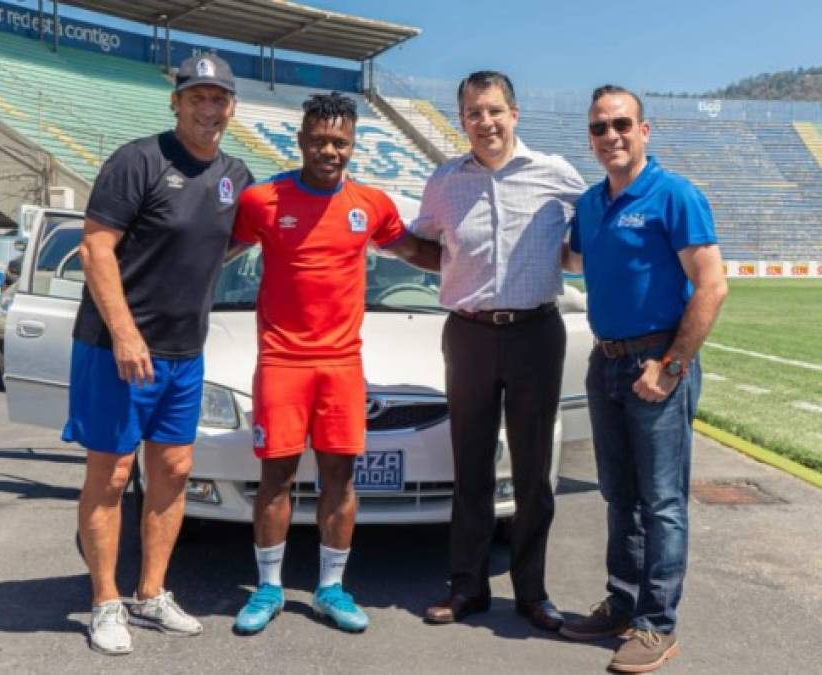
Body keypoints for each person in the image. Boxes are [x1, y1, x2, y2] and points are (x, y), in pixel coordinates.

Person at [227, 92, 439, 635]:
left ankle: (330, 589)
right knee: (275, 477)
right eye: (319, 140)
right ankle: (269, 588)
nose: (329, 150)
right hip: (281, 362)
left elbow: (415, 253)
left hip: (342, 365)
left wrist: (483, 269)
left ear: (352, 145)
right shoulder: (261, 201)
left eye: (340, 142)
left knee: (340, 480)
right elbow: (211, 253)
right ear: (299, 141)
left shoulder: (371, 205)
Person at [61, 53, 252, 655]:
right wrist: (124, 332)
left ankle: (151, 591)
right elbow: (95, 248)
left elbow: (224, 247)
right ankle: (104, 601)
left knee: (173, 472)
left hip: (183, 353)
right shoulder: (138, 161)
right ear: (175, 102)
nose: (207, 107)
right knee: (112, 473)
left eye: (217, 97)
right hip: (118, 351)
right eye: (196, 96)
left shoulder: (236, 175)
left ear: (231, 107)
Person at [408, 71, 587, 631]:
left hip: (536, 332)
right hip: (469, 333)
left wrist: (569, 260)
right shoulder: (443, 182)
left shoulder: (556, 174)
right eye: (472, 114)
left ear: (514, 113)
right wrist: (453, 270)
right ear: (461, 120)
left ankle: (532, 591)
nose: (484, 123)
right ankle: (467, 588)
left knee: (533, 471)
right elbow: (423, 244)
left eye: (493, 111)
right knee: (472, 465)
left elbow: (589, 239)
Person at [560, 85, 727, 673]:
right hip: (606, 361)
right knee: (619, 495)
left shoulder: (674, 194)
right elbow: (571, 259)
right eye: (600, 127)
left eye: (622, 124)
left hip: (657, 360)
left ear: (645, 129)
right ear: (590, 137)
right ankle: (622, 603)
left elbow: (711, 285)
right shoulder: (588, 203)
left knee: (662, 502)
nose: (612, 136)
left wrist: (672, 366)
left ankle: (657, 624)